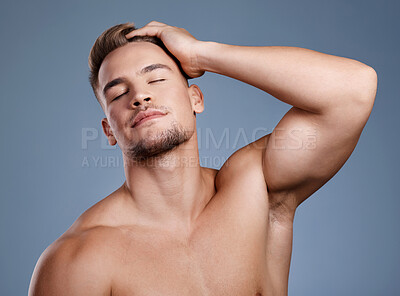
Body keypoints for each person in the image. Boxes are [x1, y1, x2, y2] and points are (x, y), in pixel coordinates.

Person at [28, 21, 377, 295]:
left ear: (196, 98)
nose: (140, 96)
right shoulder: (76, 261)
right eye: (119, 93)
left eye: (157, 78)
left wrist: (199, 54)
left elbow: (354, 89)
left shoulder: (255, 186)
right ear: (108, 130)